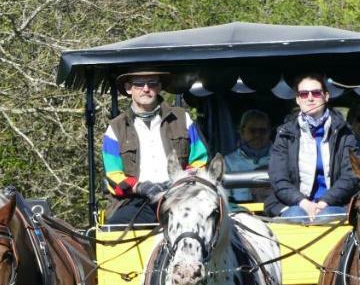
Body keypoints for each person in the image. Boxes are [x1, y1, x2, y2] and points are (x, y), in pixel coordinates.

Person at [101, 69, 208, 225]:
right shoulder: (115, 129)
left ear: (159, 87)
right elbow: (113, 175)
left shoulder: (182, 118)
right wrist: (140, 187)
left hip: (181, 197)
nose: (146, 88)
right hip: (137, 202)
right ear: (129, 88)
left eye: (152, 83)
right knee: (114, 231)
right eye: (139, 84)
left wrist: (179, 182)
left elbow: (200, 161)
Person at [264, 72, 359, 220]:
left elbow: (350, 175)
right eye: (303, 94)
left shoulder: (344, 132)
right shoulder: (284, 134)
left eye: (315, 93)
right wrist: (303, 203)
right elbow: (278, 178)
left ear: (326, 96)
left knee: (328, 217)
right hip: (294, 204)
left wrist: (324, 202)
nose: (310, 98)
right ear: (297, 100)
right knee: (295, 216)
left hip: (334, 204)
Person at [223, 109, 272, 205]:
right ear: (241, 131)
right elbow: (225, 198)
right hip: (240, 213)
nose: (257, 135)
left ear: (269, 132)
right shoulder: (228, 161)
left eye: (262, 131)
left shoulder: (282, 157)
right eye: (252, 131)